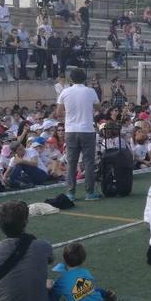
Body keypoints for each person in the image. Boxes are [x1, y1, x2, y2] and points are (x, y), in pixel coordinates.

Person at [57, 68, 101, 201]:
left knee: (71, 162)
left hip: (70, 130)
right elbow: (98, 108)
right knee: (88, 162)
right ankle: (89, 192)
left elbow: (59, 113)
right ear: (84, 78)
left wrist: (70, 114)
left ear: (71, 79)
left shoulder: (65, 92)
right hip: (87, 129)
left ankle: (70, 193)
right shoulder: (90, 91)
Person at [49, 243, 118, 301]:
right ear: (83, 260)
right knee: (95, 290)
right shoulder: (86, 272)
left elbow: (53, 298)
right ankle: (108, 294)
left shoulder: (61, 281)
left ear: (64, 259)